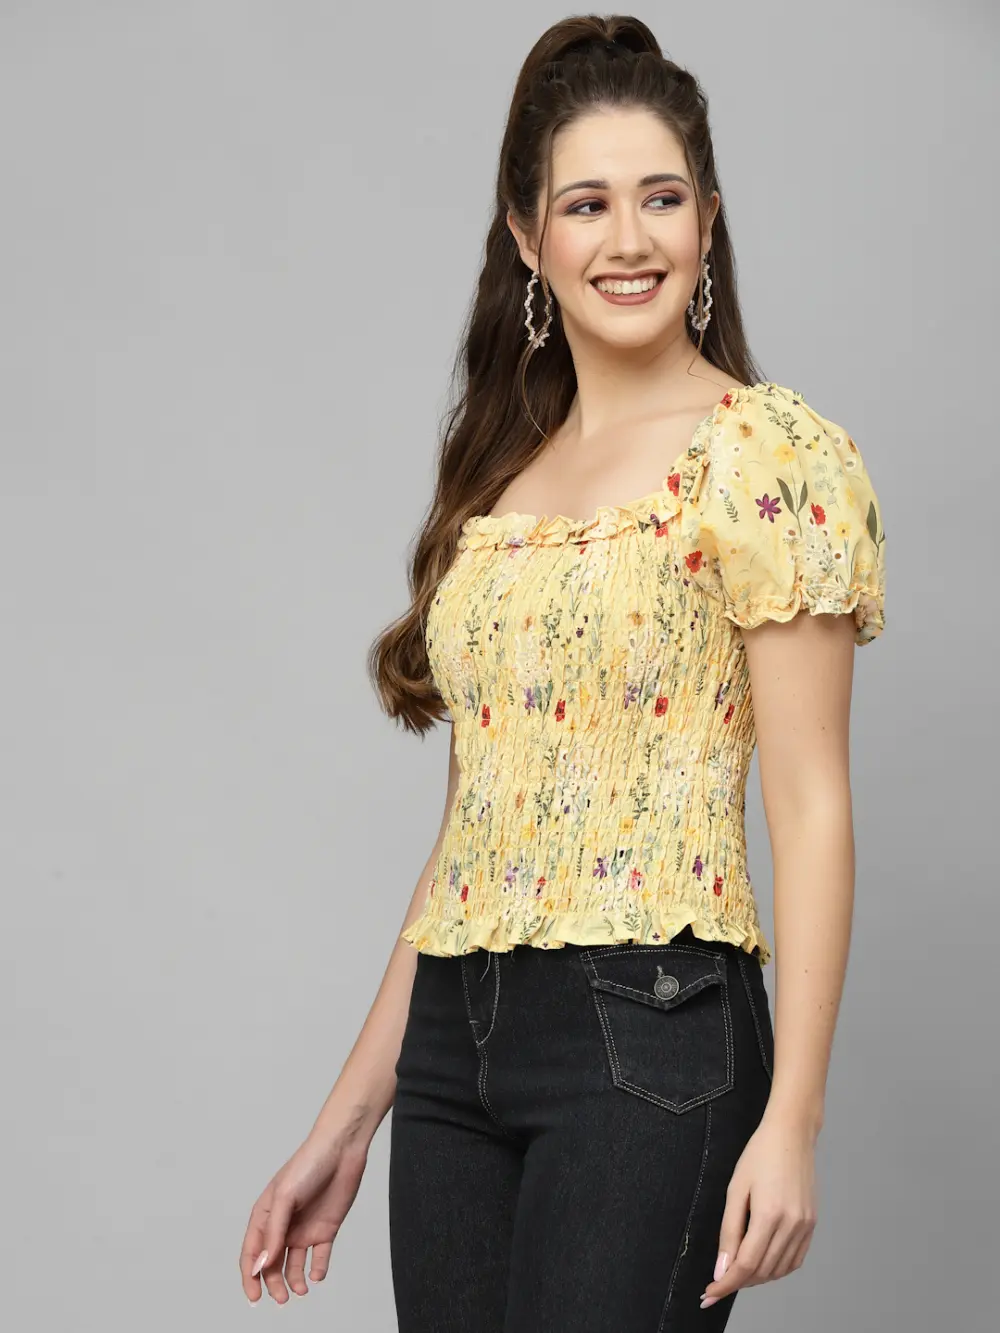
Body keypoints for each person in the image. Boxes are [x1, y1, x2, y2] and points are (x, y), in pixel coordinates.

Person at [238, 14, 887, 1330]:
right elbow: (475, 842)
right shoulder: (501, 479)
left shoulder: (768, 455)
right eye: (587, 205)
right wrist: (348, 1121)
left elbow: (813, 802)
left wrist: (794, 1119)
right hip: (451, 1055)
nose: (629, 239)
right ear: (529, 239)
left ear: (709, 220)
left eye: (663, 198)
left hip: (652, 1027)